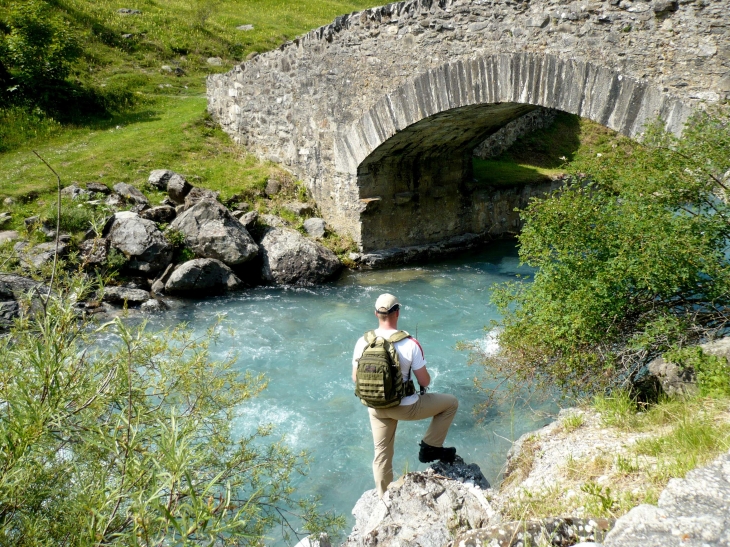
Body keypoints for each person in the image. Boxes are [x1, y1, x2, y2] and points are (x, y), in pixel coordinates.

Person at [352, 293, 459, 498]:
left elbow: (355, 378)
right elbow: (425, 382)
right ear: (397, 313)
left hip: (376, 408)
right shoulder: (410, 343)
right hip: (406, 408)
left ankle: (384, 499)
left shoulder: (362, 342)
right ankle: (430, 447)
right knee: (451, 403)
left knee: (381, 455)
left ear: (376, 313)